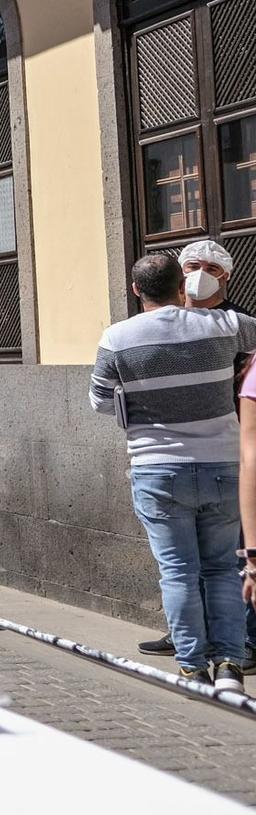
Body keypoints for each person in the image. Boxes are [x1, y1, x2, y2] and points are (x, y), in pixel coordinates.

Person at [89, 251, 256, 690]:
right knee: (223, 567)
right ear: (181, 287)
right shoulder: (225, 325)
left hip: (156, 468)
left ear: (135, 290)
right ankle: (230, 664)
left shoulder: (117, 337)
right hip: (222, 465)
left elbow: (101, 400)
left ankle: (192, 664)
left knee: (178, 571)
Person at [144, 238, 251, 657]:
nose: (200, 273)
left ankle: (244, 639)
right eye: (191, 265)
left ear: (226, 276)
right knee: (182, 561)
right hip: (172, 458)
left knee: (237, 554)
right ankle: (187, 633)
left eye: (211, 266)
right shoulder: (162, 325)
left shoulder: (237, 326)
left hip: (233, 454)